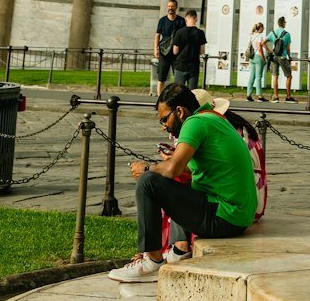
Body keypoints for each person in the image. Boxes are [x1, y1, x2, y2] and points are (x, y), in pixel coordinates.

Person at [108, 83, 257, 281]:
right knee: (172, 181)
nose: (164, 126)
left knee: (148, 182)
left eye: (164, 119)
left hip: (225, 217)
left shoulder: (194, 123)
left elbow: (173, 170)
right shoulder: (213, 118)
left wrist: (147, 168)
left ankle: (152, 260)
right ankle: (178, 249)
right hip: (238, 215)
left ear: (179, 111)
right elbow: (189, 169)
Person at [154, 0, 183, 96]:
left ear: (176, 7)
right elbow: (157, 35)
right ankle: (159, 99)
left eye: (172, 6)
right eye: (169, 6)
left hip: (176, 54)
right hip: (164, 52)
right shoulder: (162, 20)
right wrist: (155, 49)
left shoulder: (181, 21)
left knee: (178, 78)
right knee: (161, 77)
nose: (170, 8)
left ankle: (177, 98)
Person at [177, 10, 206, 87]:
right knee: (193, 92)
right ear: (196, 19)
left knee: (178, 91)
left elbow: (175, 51)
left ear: (185, 19)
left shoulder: (179, 32)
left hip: (181, 64)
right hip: (194, 65)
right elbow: (202, 51)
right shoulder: (200, 33)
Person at [268, 16, 294, 102]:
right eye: (285, 22)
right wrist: (289, 56)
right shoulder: (287, 34)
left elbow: (263, 43)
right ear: (283, 23)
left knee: (275, 76)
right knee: (289, 76)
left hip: (274, 56)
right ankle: (288, 97)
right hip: (282, 57)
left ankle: (275, 97)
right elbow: (288, 48)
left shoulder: (273, 33)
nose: (285, 23)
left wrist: (269, 51)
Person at [244, 22, 267, 101]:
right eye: (263, 27)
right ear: (260, 28)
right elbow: (260, 49)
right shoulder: (260, 36)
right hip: (258, 57)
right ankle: (260, 96)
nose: (263, 29)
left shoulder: (251, 35)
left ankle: (248, 95)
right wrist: (264, 58)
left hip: (251, 57)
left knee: (251, 77)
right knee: (258, 77)